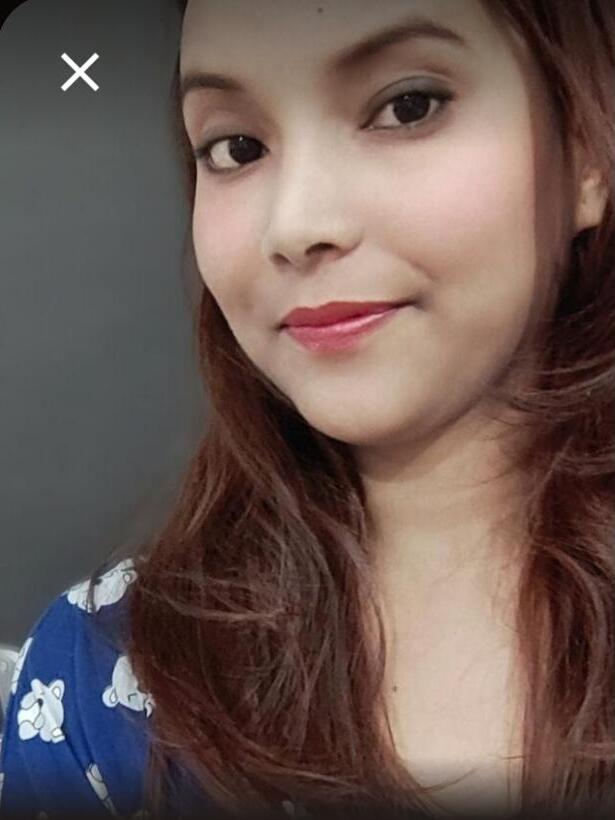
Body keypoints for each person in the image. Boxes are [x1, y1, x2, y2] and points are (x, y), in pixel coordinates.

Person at [0, 0, 613, 818]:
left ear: (585, 154)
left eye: (407, 106)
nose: (295, 226)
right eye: (236, 148)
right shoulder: (99, 677)